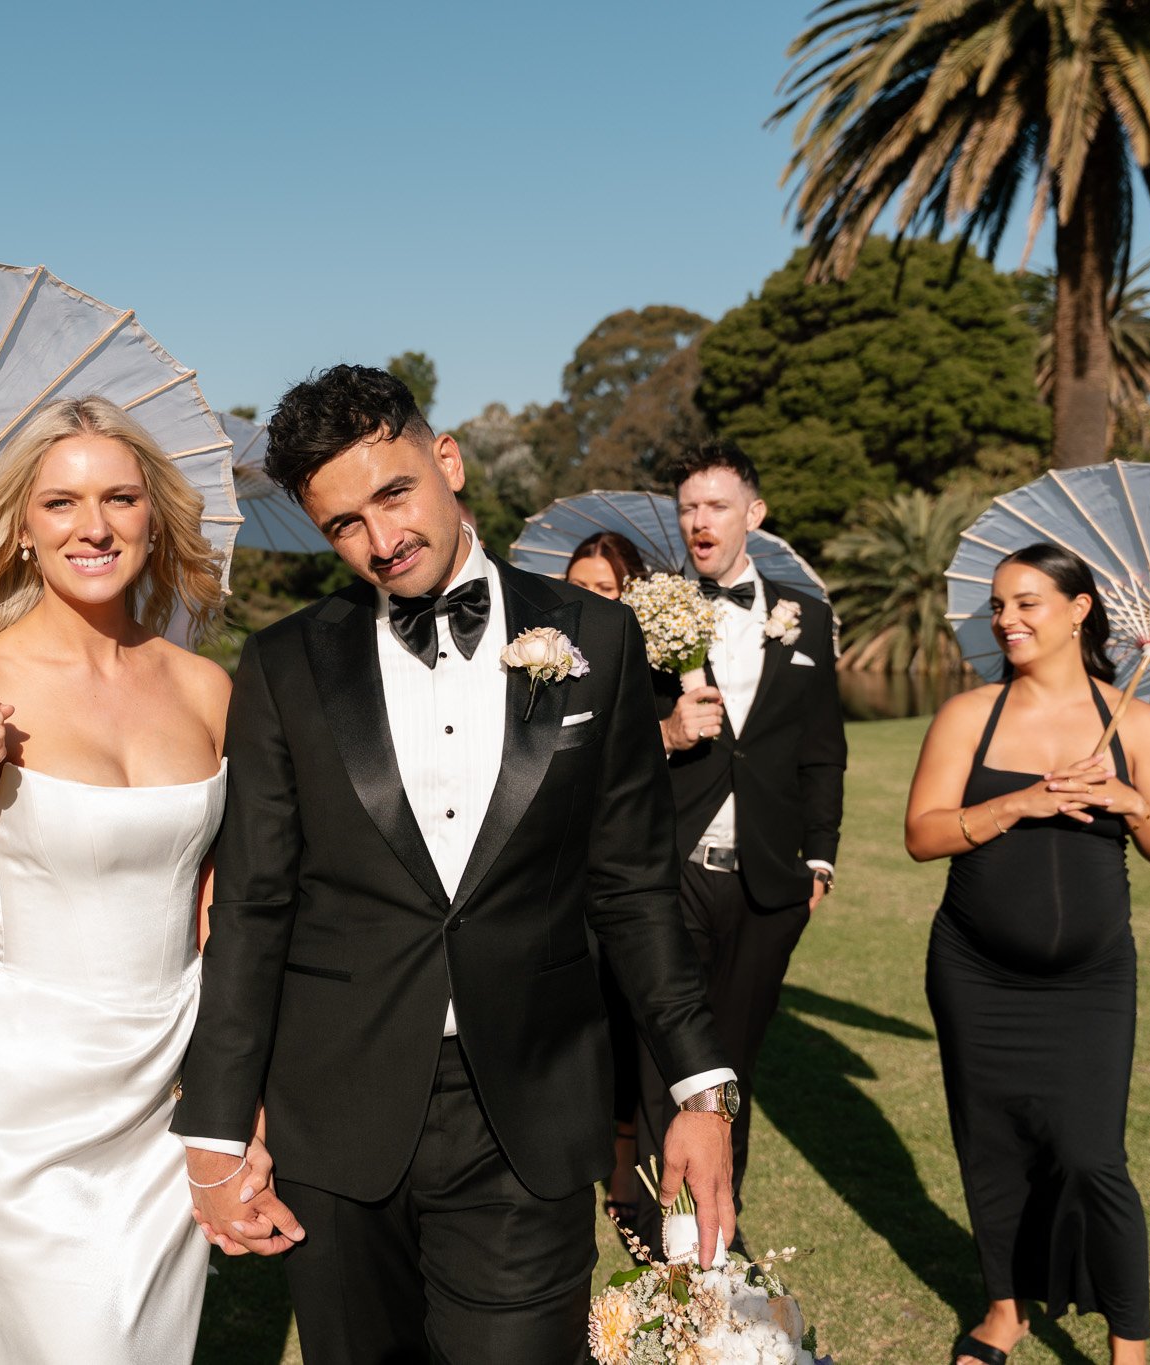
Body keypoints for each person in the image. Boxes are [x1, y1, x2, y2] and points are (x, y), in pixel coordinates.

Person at [175, 365, 735, 1364]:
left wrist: (696, 1088)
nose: (380, 540)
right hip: (335, 1121)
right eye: (342, 523)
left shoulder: (594, 639)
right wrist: (216, 1127)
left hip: (531, 1108)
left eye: (392, 494)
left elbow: (634, 889)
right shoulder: (281, 666)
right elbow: (253, 907)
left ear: (445, 460)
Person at [0, 396, 232, 1362]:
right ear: (25, 530)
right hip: (34, 1098)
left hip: (174, 1082)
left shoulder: (206, 689)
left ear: (153, 516)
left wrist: (238, 1097)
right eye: (61, 504)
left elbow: (221, 908)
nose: (94, 526)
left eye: (120, 497)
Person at [904, 544, 1150, 1365]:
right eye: (999, 605)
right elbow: (923, 834)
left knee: (1092, 1155)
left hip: (1090, 981)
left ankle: (1127, 1350)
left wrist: (1130, 800)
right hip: (974, 971)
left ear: (1079, 610)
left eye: (1028, 602)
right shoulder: (971, 715)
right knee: (989, 1143)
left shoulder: (1138, 724)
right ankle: (1005, 1310)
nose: (1008, 619)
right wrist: (1022, 801)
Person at [639, 442, 846, 1238]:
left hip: (768, 880)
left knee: (734, 1064)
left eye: (716, 506)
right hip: (675, 867)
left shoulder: (806, 615)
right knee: (673, 1060)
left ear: (752, 515)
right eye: (689, 506)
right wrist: (667, 728)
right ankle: (671, 1238)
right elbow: (618, 745)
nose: (699, 521)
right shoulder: (648, 613)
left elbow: (821, 747)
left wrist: (818, 858)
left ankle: (720, 1232)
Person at [563, 530, 658, 1239]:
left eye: (604, 588)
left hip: (624, 872)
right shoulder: (539, 664)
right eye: (577, 585)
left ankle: (625, 1158)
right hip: (559, 876)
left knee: (627, 1014)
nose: (587, 600)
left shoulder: (659, 668)